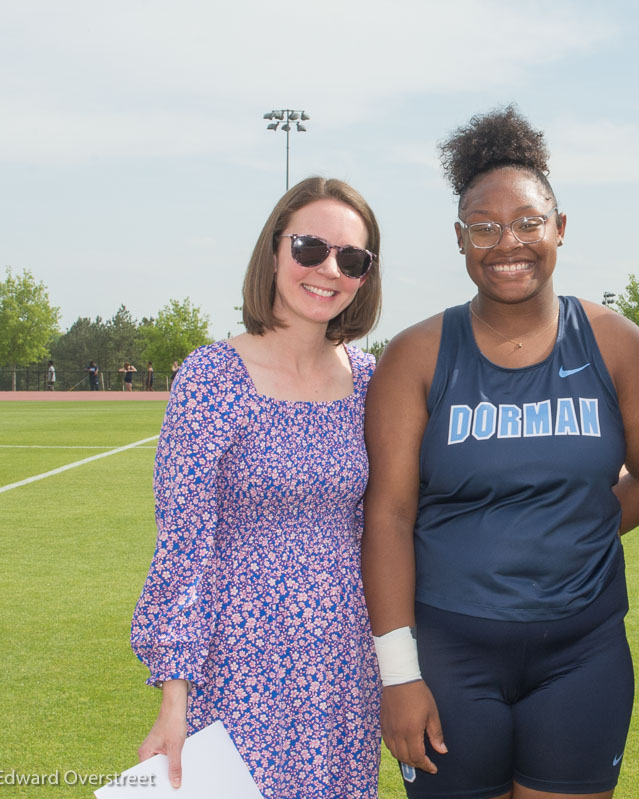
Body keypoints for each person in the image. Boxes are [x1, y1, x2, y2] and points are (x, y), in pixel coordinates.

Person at [361, 106, 639, 799]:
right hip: (449, 654)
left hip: (582, 653)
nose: (509, 242)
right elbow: (386, 516)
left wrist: (580, 529)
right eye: (485, 226)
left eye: (529, 222)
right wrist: (398, 673)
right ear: (460, 238)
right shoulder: (415, 355)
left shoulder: (617, 344)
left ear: (560, 227)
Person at [130, 176, 384, 797]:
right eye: (309, 248)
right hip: (240, 659)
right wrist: (174, 697)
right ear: (273, 251)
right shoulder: (211, 377)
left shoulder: (372, 382)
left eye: (351, 259)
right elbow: (184, 545)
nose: (329, 269)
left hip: (346, 660)